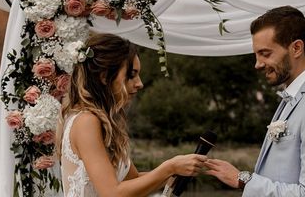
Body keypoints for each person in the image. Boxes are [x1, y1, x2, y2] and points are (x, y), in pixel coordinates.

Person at [205, 6, 305, 196]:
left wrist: (243, 180)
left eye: (265, 54)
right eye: (256, 55)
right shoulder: (294, 96)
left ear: (296, 48)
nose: (257, 64)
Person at [58, 32, 206, 197]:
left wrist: (176, 171)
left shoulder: (101, 121)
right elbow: (112, 193)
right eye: (131, 75)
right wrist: (169, 167)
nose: (140, 84)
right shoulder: (86, 121)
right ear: (105, 77)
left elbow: (132, 181)